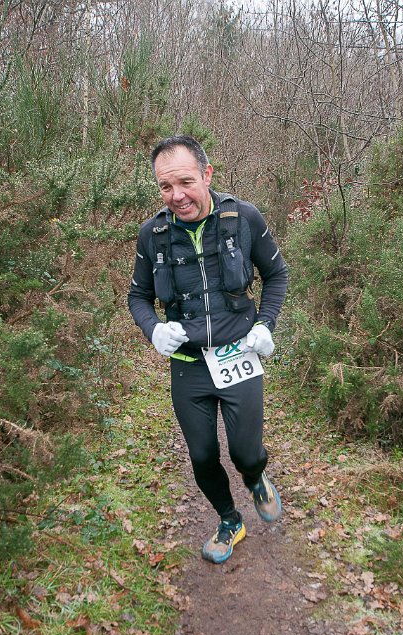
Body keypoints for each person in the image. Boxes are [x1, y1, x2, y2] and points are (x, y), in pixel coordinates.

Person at [128, 135, 288, 564]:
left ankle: (254, 476)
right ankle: (229, 520)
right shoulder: (153, 235)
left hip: (239, 354)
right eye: (165, 186)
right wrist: (153, 330)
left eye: (185, 182)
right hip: (189, 365)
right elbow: (138, 296)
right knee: (201, 455)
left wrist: (266, 324)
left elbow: (277, 275)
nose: (177, 195)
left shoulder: (243, 218)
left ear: (207, 175)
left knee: (246, 452)